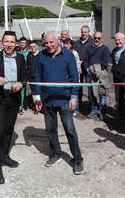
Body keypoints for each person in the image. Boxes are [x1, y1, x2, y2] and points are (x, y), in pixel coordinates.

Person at [33, 32, 84, 175]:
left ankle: (77, 159)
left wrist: (74, 97)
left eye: (51, 42)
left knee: (70, 129)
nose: (49, 45)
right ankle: (56, 154)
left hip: (64, 99)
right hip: (47, 99)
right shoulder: (40, 56)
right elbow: (36, 76)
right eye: (46, 43)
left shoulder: (68, 55)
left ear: (58, 41)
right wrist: (37, 96)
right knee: (50, 129)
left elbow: (75, 77)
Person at [0, 31, 27, 185]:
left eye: (12, 41)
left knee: (9, 129)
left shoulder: (21, 58)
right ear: (2, 43)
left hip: (14, 99)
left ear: (16, 44)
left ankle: (4, 156)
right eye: (6, 41)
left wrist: (21, 83)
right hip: (0, 99)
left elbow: (25, 76)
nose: (9, 44)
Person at [83, 31, 110, 120]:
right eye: (95, 38)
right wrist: (88, 69)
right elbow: (86, 60)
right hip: (90, 74)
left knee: (102, 93)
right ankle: (93, 110)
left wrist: (95, 69)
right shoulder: (89, 48)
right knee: (91, 94)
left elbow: (105, 63)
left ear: (102, 39)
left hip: (101, 75)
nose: (97, 40)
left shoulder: (105, 49)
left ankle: (102, 112)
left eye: (99, 38)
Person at [74, 25, 94, 108]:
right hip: (79, 68)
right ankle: (79, 104)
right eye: (82, 32)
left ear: (88, 32)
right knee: (78, 86)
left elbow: (93, 55)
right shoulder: (77, 42)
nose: (83, 33)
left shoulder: (92, 42)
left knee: (90, 87)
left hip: (88, 67)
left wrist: (85, 61)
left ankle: (92, 104)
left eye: (85, 32)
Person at [26, 42, 40, 114]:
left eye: (34, 46)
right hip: (31, 77)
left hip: (39, 78)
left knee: (40, 92)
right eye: (31, 46)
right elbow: (28, 67)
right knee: (34, 93)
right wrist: (27, 78)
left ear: (37, 46)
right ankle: (36, 107)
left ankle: (42, 106)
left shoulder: (41, 55)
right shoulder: (29, 55)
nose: (32, 48)